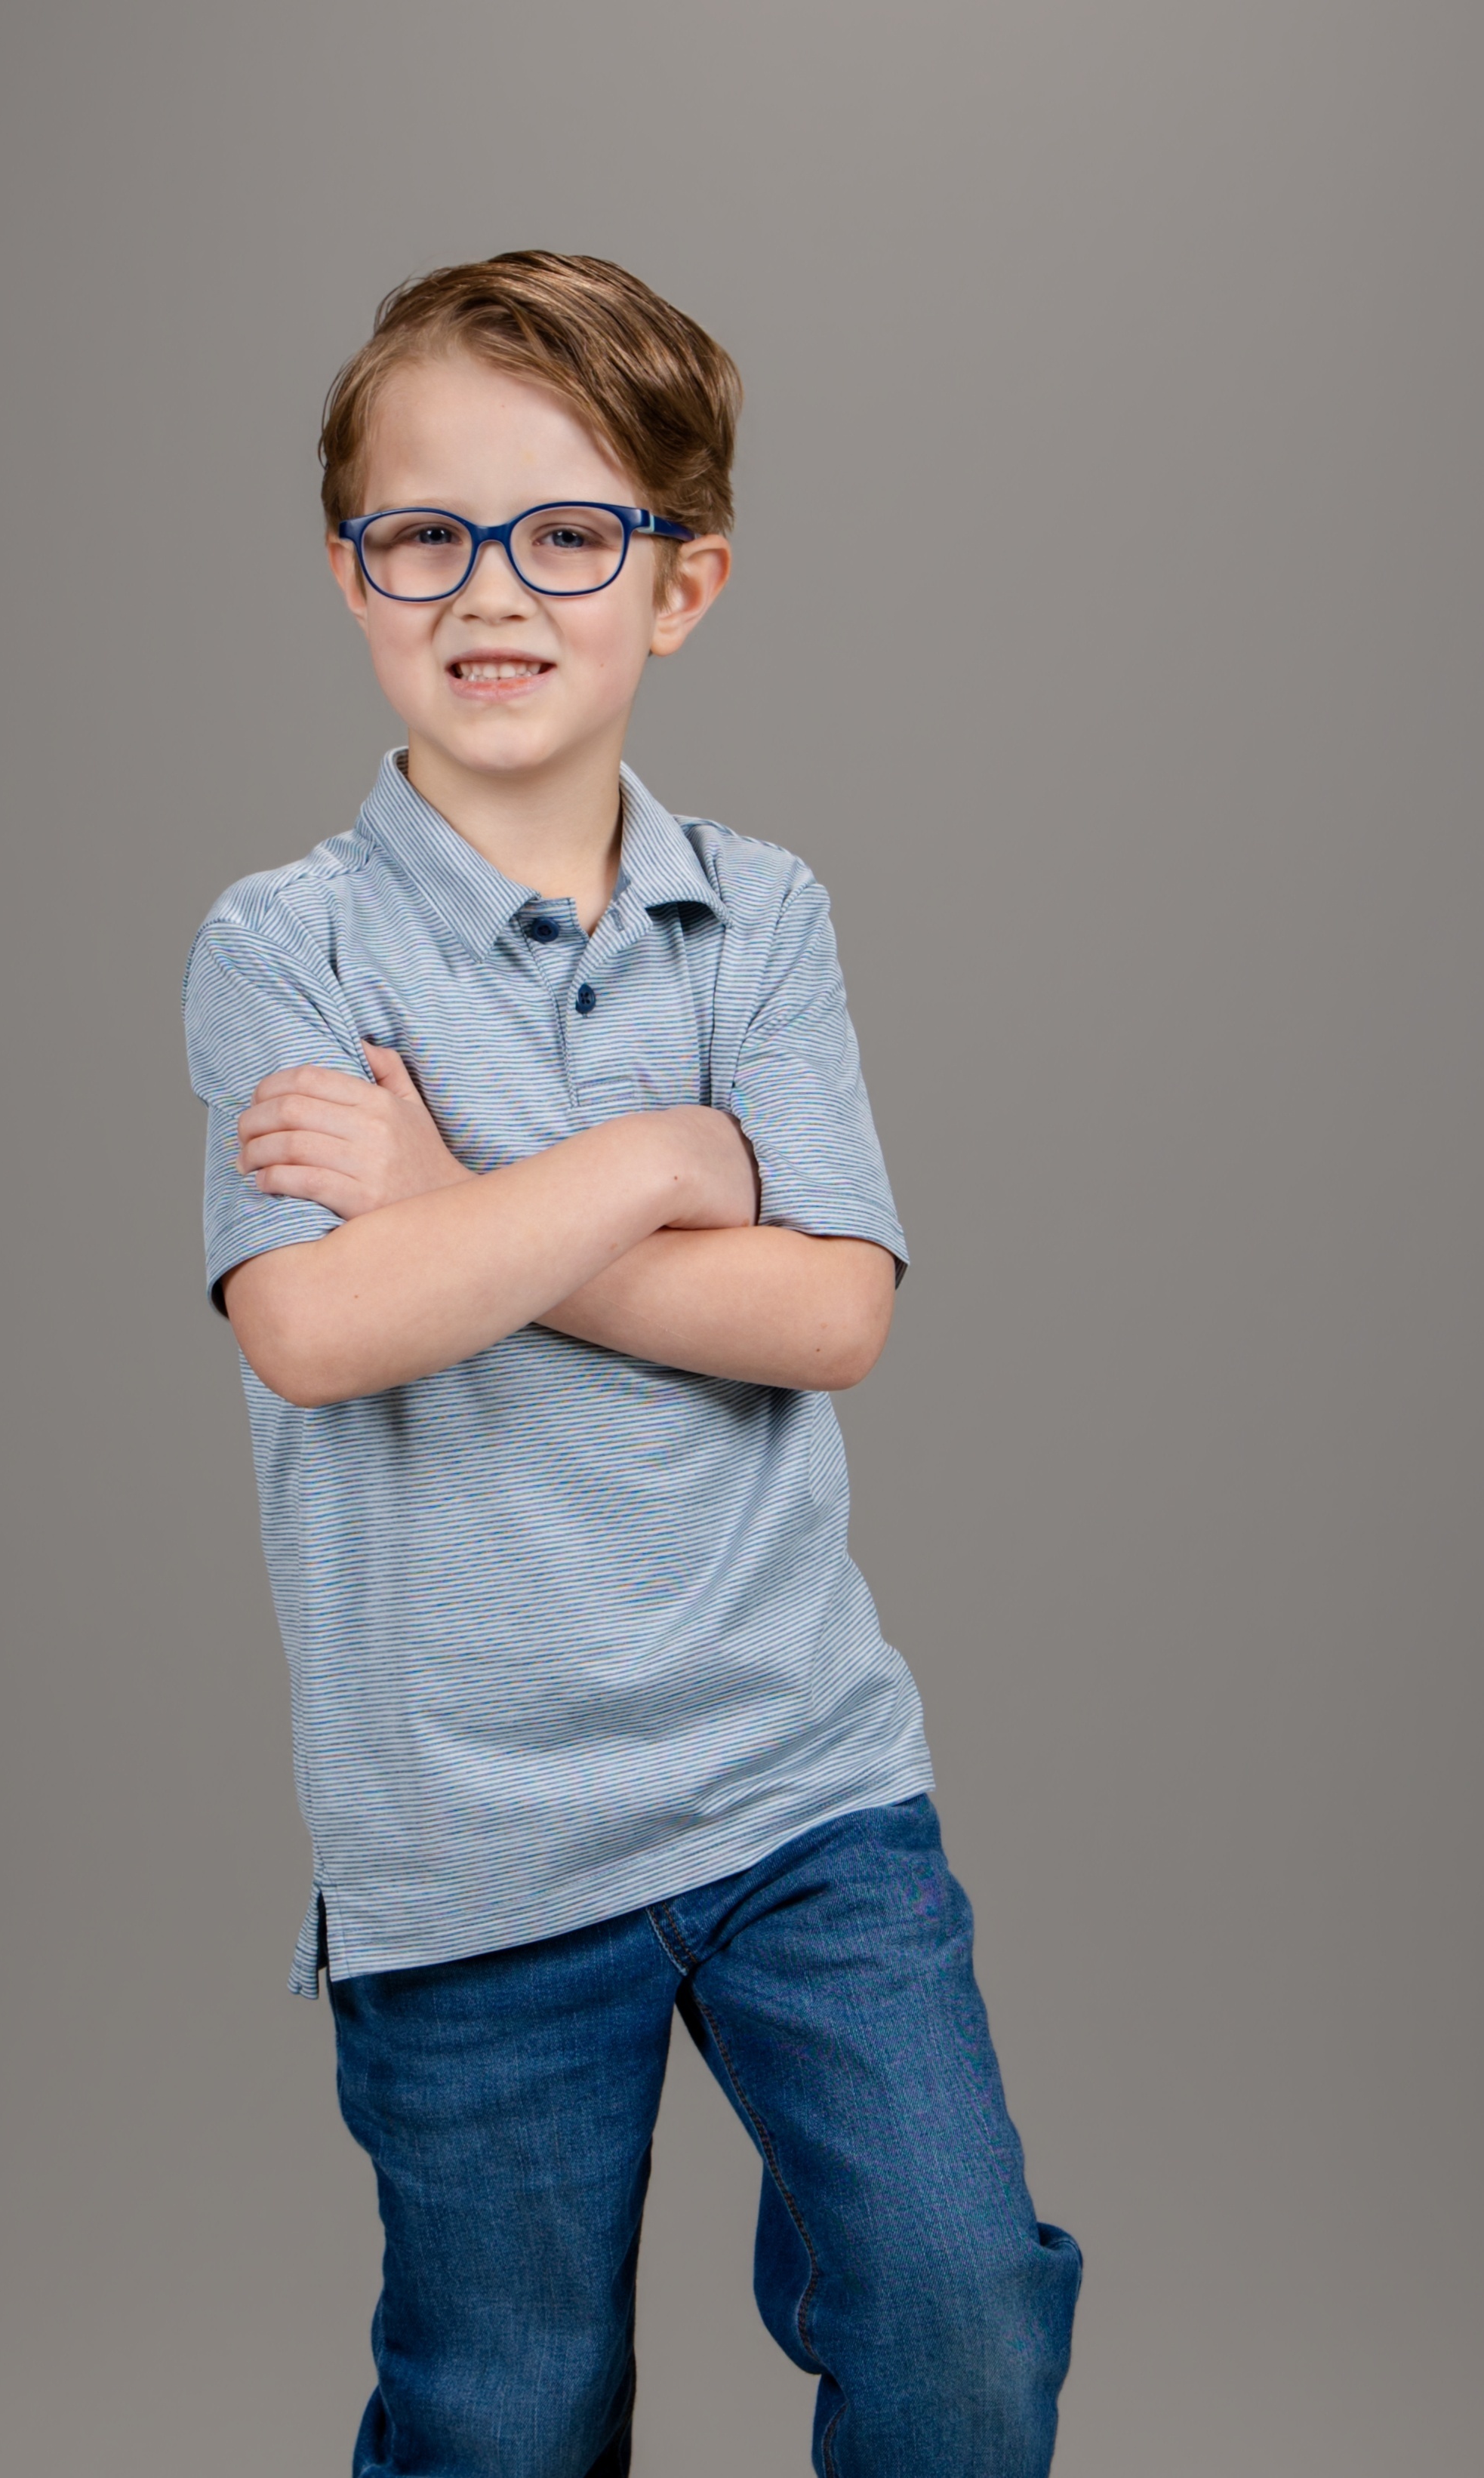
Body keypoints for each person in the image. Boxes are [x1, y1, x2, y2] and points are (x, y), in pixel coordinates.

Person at [182, 251, 1080, 2478]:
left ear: (683, 585)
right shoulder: (286, 941)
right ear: (351, 570)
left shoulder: (757, 918)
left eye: (570, 533)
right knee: (504, 2417)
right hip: (466, 1834)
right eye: (427, 533)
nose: (493, 590)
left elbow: (830, 1310)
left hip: (800, 1781)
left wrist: (455, 1197)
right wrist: (663, 1165)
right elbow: (316, 1324)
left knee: (960, 2310)